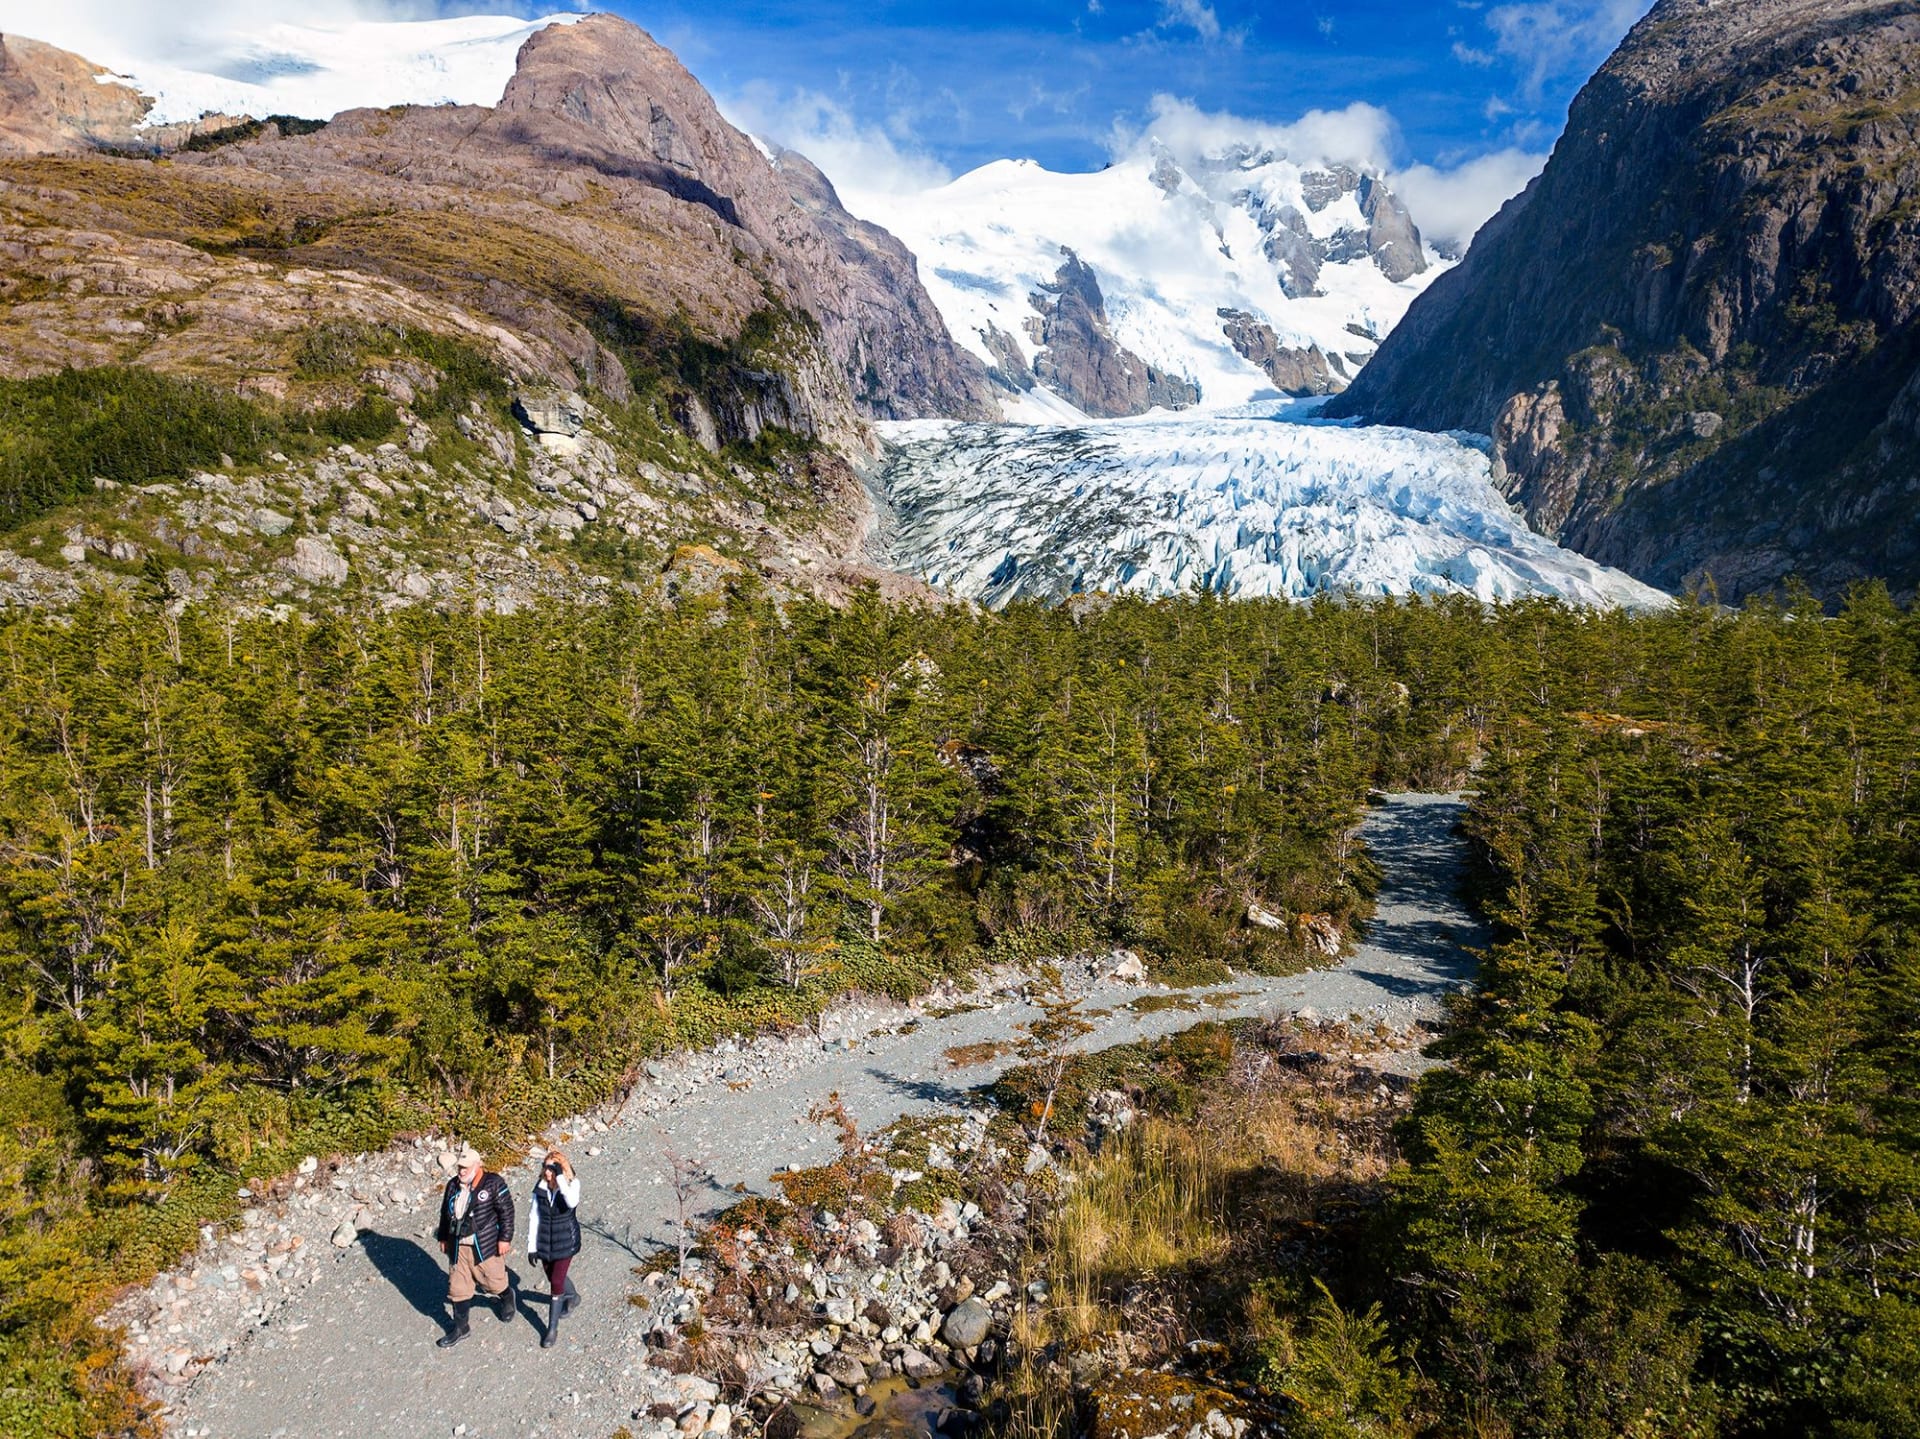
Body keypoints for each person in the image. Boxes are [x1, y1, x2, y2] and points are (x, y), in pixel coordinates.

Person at [435, 1142, 516, 1348]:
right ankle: (461, 1328)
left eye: (466, 1168)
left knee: (493, 1281)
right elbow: (445, 1213)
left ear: (477, 1165)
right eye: (460, 1168)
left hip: (485, 1244)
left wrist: (505, 1238)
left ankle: (507, 1297)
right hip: (458, 1245)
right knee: (457, 1287)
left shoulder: (493, 1183)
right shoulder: (452, 1185)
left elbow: (507, 1212)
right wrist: (443, 1237)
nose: (461, 1171)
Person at [527, 1148, 582, 1348]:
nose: (547, 1171)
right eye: (545, 1167)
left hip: (566, 1238)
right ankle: (573, 1296)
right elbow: (534, 1217)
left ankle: (551, 1329)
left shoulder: (572, 1184)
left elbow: (570, 1202)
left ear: (560, 1168)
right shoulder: (540, 1187)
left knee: (556, 1281)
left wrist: (560, 1178)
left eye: (552, 1167)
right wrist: (531, 1246)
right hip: (545, 1239)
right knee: (552, 1276)